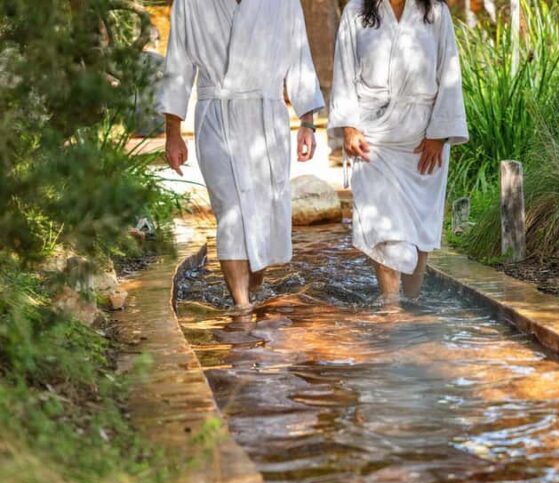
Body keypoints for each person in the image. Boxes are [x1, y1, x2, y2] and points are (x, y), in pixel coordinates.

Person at [159, 0, 324, 314]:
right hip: (216, 114)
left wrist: (307, 122)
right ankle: (242, 305)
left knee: (264, 213)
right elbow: (178, 61)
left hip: (267, 118)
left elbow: (299, 55)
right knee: (231, 212)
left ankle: (254, 289)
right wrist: (173, 131)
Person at [329, 0, 468, 304]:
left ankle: (413, 299)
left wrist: (439, 134)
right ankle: (391, 306)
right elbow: (343, 68)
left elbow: (449, 70)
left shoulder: (435, 12)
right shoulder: (357, 11)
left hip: (422, 137)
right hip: (373, 136)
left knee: (420, 224)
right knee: (383, 226)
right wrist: (349, 126)